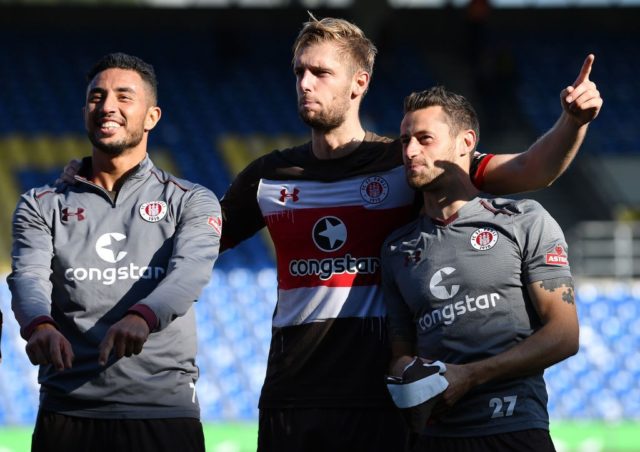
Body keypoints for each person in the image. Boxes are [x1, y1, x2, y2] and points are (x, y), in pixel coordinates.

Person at [58, 16, 601, 451]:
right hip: (292, 396)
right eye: (299, 72)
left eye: (320, 72)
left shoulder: (409, 161)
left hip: (384, 400)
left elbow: (531, 170)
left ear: (359, 83)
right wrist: (96, 185)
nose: (305, 83)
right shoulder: (268, 175)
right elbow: (187, 241)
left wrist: (572, 121)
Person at [8, 52, 222, 452]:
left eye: (124, 97)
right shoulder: (41, 203)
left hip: (162, 410)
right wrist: (38, 324)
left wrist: (143, 316)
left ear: (152, 117)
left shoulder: (192, 200)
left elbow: (189, 272)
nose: (107, 106)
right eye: (97, 96)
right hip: (67, 409)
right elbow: (28, 276)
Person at [381, 86, 580, 451]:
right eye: (405, 140)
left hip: (514, 429)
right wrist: (408, 376)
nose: (410, 151)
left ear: (465, 142)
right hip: (433, 438)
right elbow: (400, 354)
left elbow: (564, 336)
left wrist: (470, 376)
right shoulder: (396, 249)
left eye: (424, 139)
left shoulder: (524, 221)